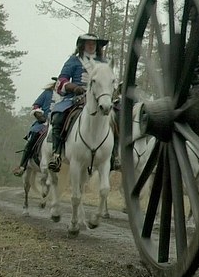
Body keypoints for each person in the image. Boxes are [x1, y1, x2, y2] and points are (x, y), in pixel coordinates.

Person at [48, 32, 119, 172]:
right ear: (82, 45)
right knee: (59, 117)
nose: (91, 46)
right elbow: (61, 80)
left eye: (94, 44)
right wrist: (74, 88)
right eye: (88, 43)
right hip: (77, 97)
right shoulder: (73, 61)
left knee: (118, 118)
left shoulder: (105, 63)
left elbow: (110, 81)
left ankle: (114, 155)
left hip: (101, 97)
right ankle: (56, 154)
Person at [12, 78, 56, 177]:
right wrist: (39, 115)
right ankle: (22, 166)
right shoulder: (47, 93)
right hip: (43, 124)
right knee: (33, 139)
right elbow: (36, 106)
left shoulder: (67, 95)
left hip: (58, 123)